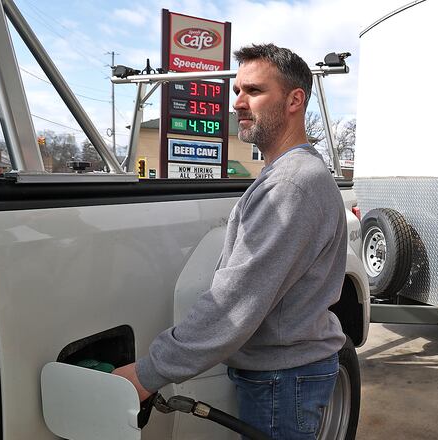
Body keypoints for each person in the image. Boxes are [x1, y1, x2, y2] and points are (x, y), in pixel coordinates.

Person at [113, 43, 348, 439]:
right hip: (286, 375)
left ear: (295, 100)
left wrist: (147, 372)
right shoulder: (289, 174)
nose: (238, 102)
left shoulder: (291, 184)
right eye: (236, 90)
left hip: (282, 380)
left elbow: (236, 300)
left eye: (254, 91)